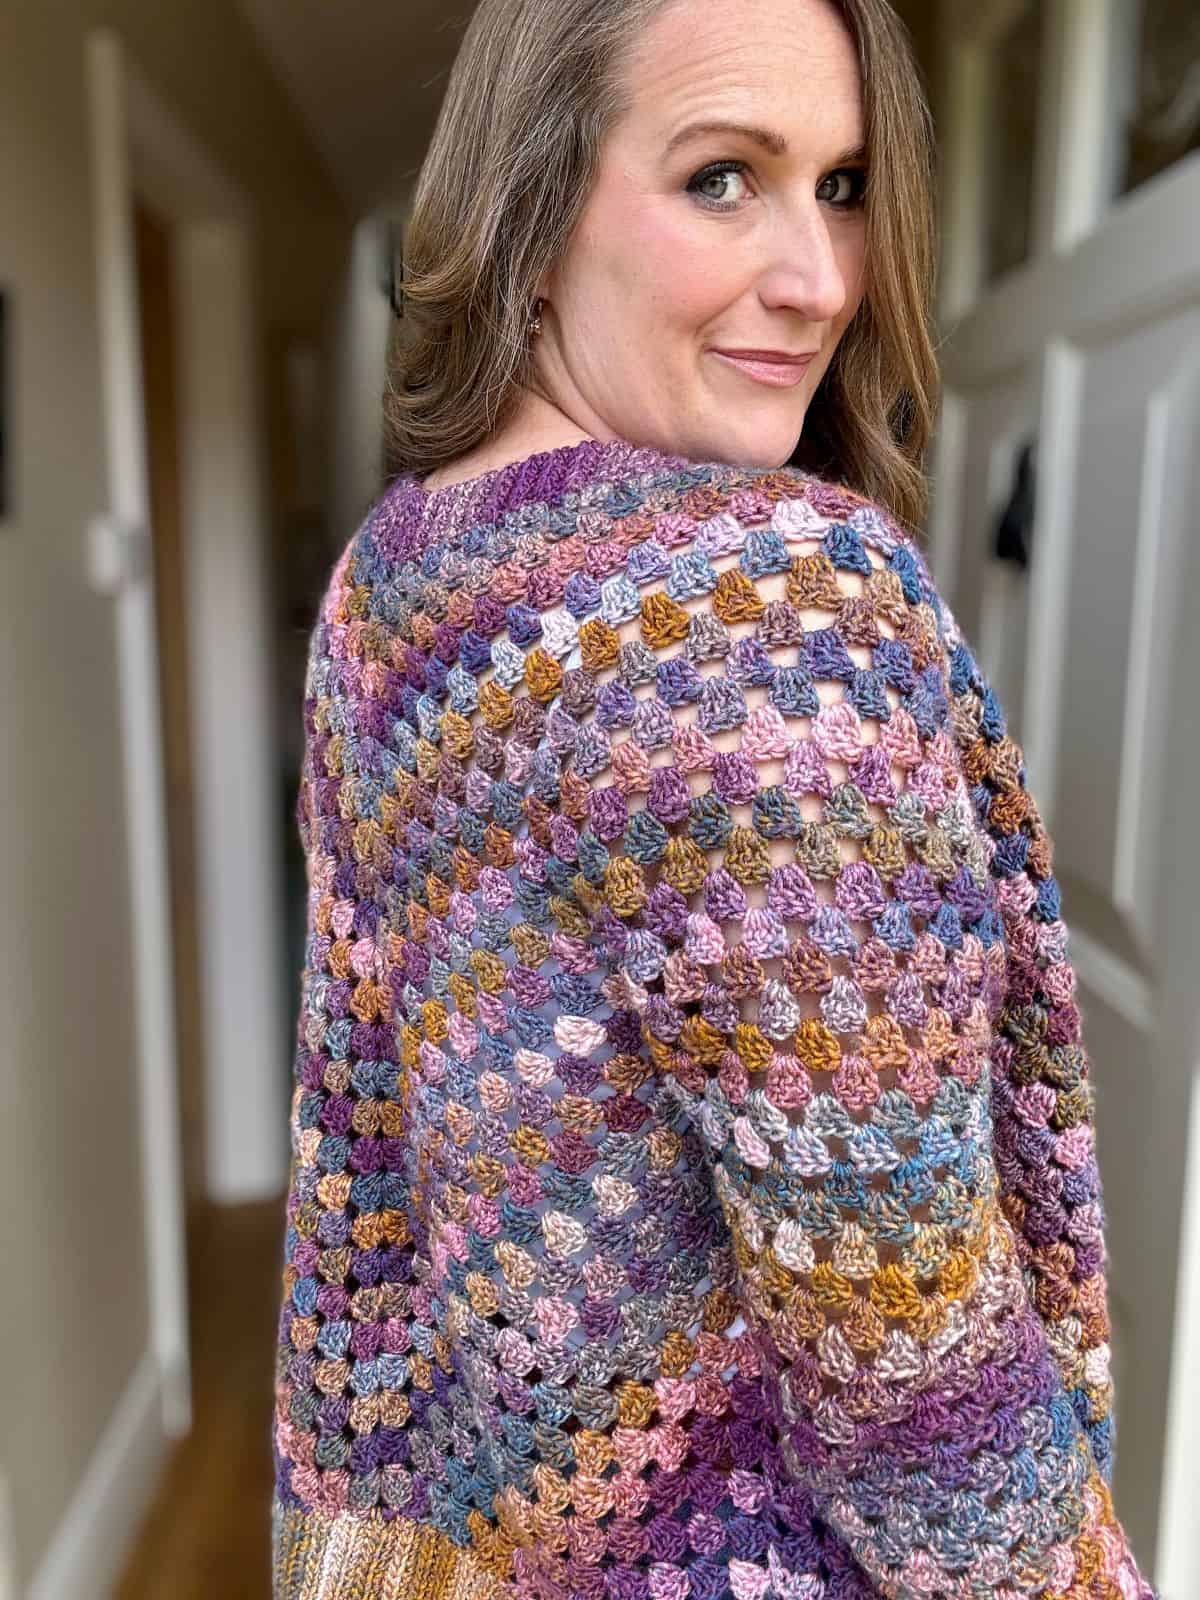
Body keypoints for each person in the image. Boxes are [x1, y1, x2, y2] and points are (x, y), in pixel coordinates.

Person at [270, 0, 1157, 1595]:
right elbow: (916, 1387)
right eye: (723, 178)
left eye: (840, 185)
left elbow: (362, 1212)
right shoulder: (769, 604)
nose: (822, 279)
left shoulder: (385, 597)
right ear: (533, 213)